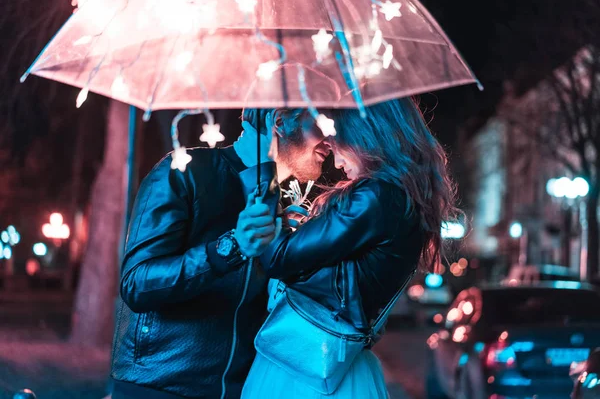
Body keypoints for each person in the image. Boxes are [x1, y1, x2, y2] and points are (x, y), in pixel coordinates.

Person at [241, 97, 459, 398]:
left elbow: (278, 257)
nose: (337, 162)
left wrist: (263, 170)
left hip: (308, 365)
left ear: (364, 137)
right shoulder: (404, 199)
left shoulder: (377, 196)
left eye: (338, 142)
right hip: (341, 365)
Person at [110, 108, 331, 399]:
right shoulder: (185, 171)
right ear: (279, 121)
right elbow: (137, 284)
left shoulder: (281, 205)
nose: (332, 137)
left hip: (243, 391)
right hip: (161, 387)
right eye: (322, 121)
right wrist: (232, 247)